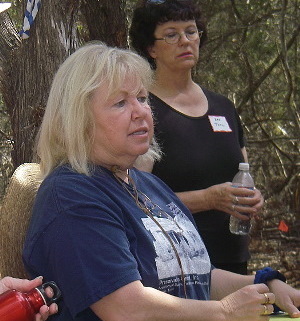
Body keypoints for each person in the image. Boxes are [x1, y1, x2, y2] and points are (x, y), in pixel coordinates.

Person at [22, 42, 300, 321]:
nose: (140, 111)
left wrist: (265, 286)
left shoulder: (151, 185)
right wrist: (225, 312)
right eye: (120, 102)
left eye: (142, 98)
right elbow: (127, 309)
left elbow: (199, 277)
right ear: (79, 120)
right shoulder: (72, 194)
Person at [129, 0, 264, 275]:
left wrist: (253, 197)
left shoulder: (223, 107)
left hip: (234, 258)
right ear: (151, 48)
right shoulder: (144, 110)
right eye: (171, 34)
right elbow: (135, 199)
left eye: (191, 32)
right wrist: (208, 199)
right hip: (177, 266)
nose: (185, 41)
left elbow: (243, 174)